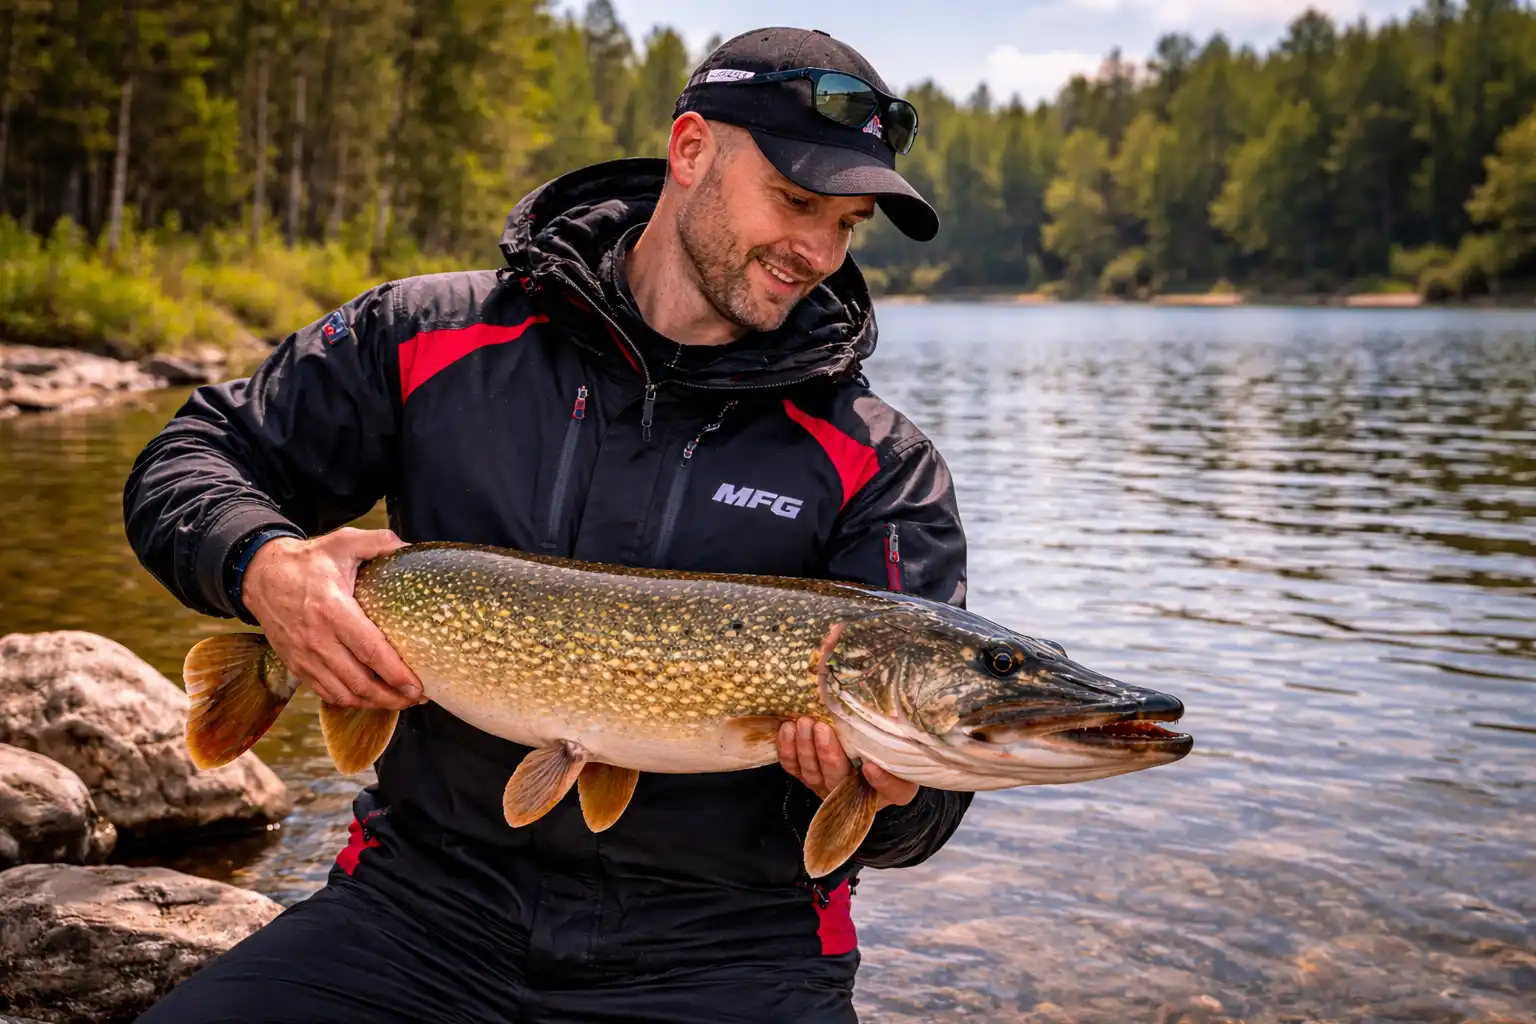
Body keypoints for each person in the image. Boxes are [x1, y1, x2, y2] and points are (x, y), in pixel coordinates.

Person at [124, 26, 970, 1024]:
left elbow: (930, 806)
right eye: (794, 201)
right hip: (419, 913)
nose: (818, 252)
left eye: (847, 225)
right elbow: (194, 455)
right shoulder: (430, 336)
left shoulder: (879, 462)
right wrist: (264, 566)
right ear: (691, 149)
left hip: (730, 956)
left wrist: (888, 790)